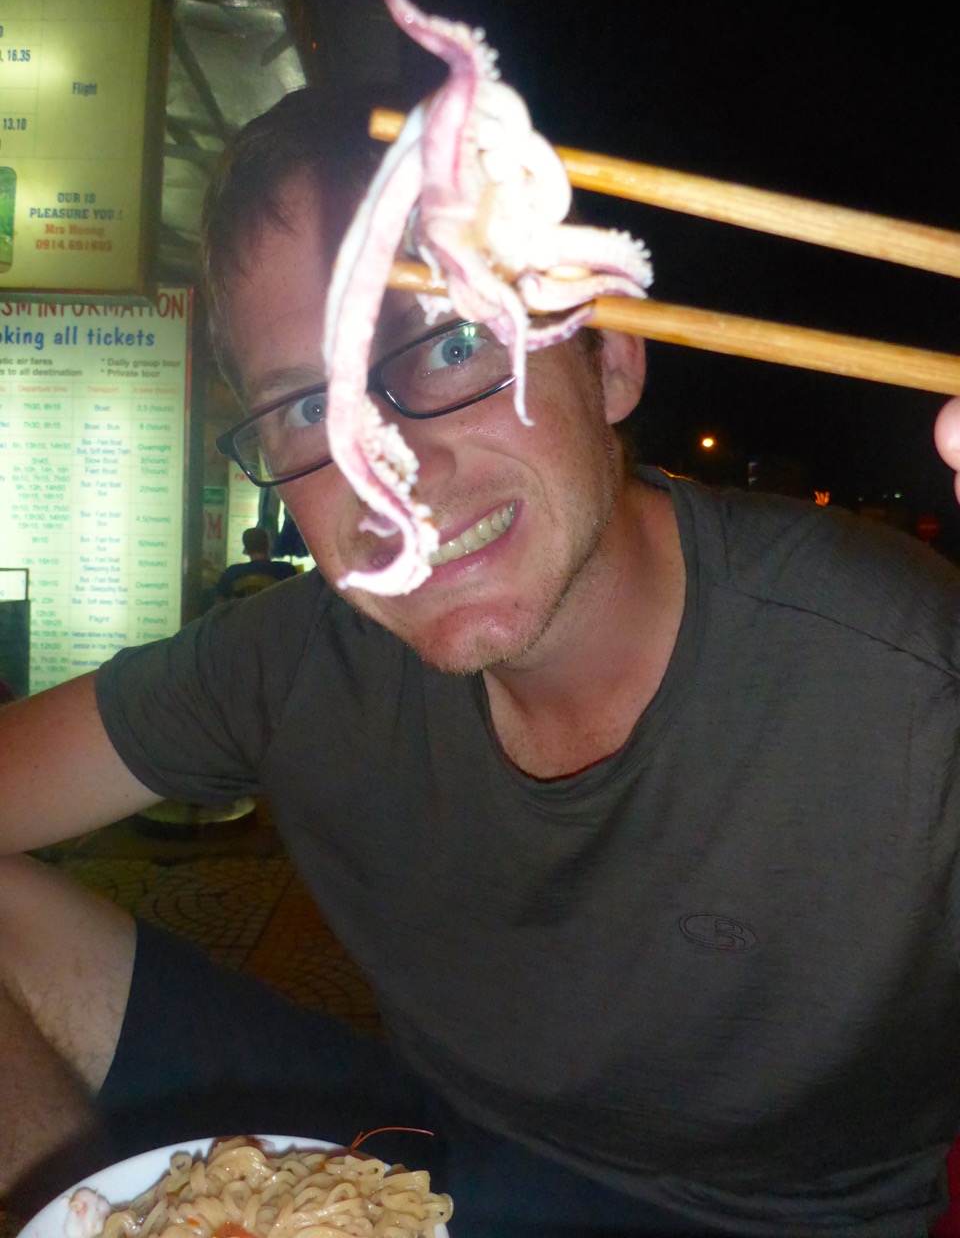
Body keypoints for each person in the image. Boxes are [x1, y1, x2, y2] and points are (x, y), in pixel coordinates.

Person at [2, 88, 960, 1238]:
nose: (386, 470)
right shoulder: (301, 654)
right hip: (429, 1153)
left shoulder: (911, 683)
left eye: (453, 342)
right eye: (306, 407)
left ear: (610, 358)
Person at [215, 525, 298, 601]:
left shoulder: (232, 573)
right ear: (269, 545)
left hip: (244, 613)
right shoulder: (287, 570)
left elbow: (220, 604)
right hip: (277, 612)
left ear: (246, 550)